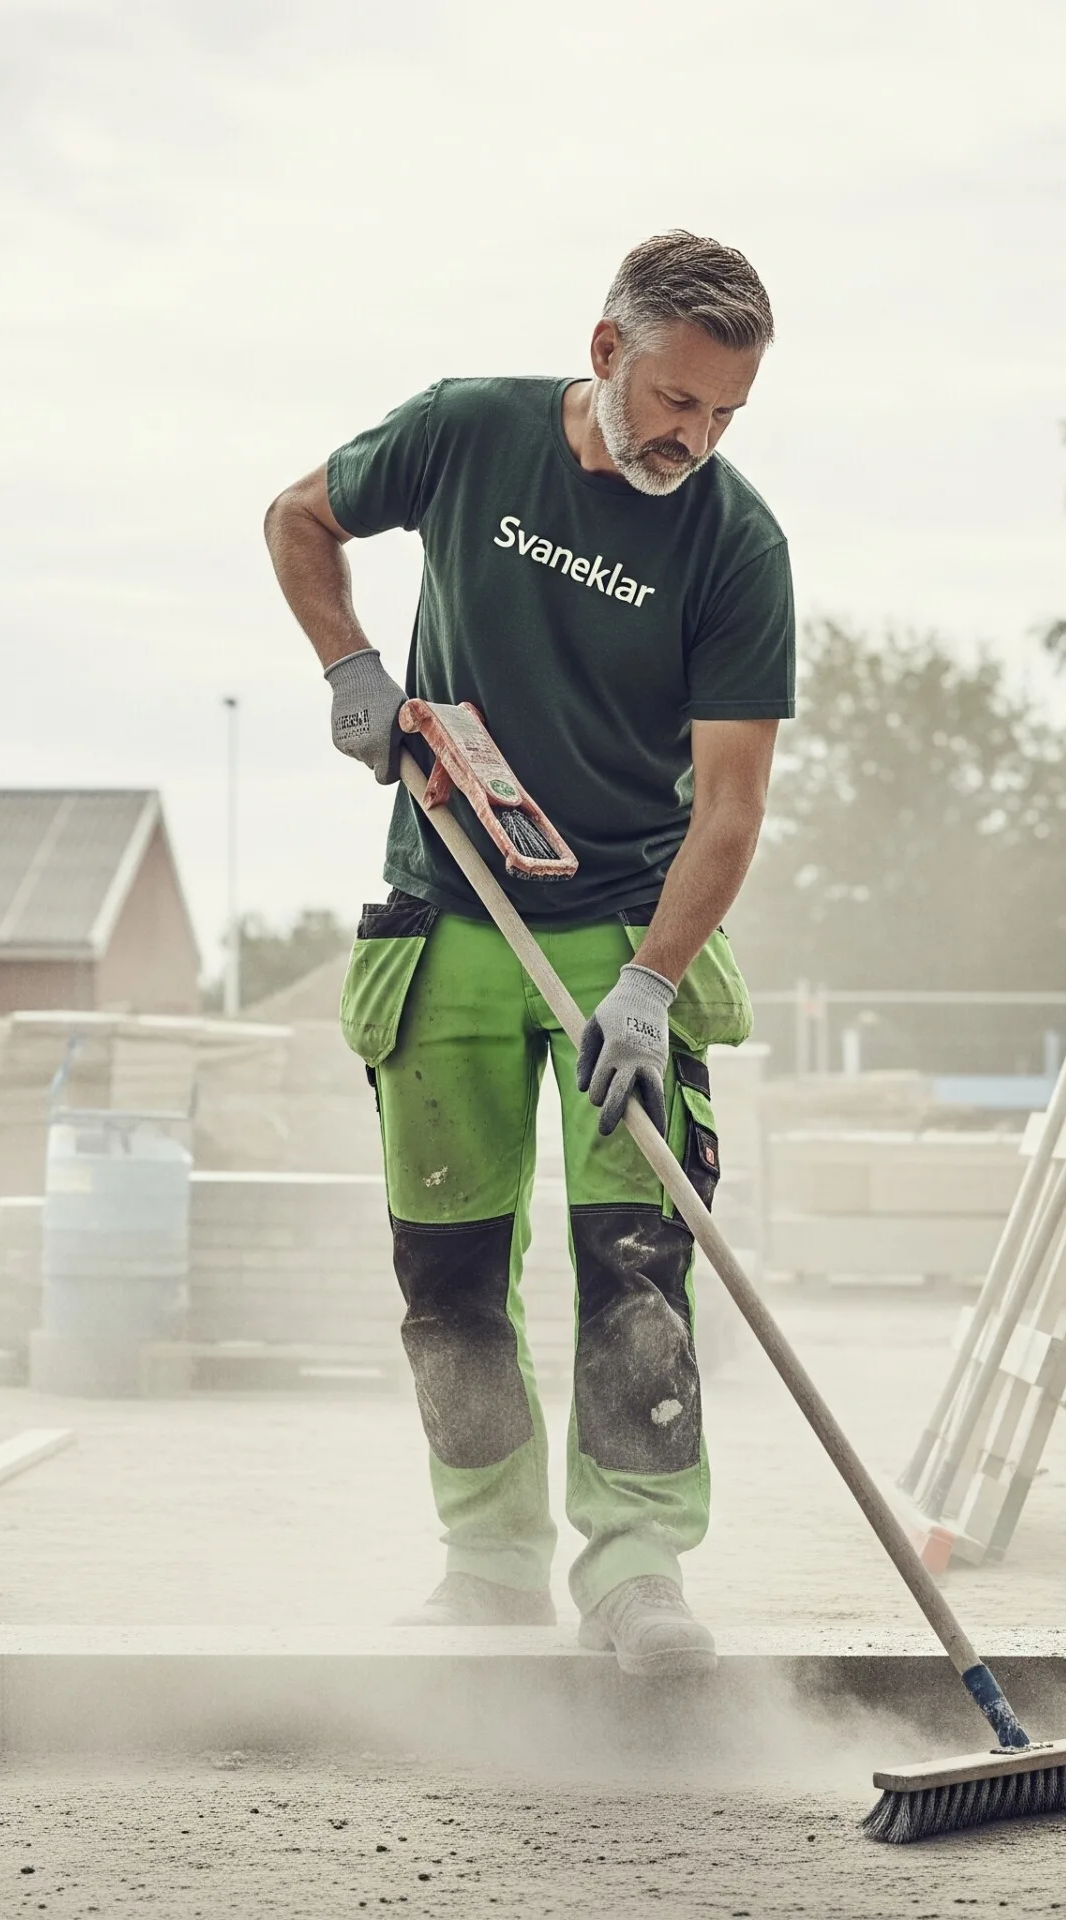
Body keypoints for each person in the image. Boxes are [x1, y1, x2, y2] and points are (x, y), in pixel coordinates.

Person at [263, 232, 794, 1676]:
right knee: (448, 1272)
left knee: (635, 1267)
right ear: (607, 350)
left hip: (631, 924)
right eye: (678, 401)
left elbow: (733, 806)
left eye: (726, 415)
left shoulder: (734, 543)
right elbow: (298, 519)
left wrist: (651, 986)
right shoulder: (467, 435)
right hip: (447, 922)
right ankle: (489, 1566)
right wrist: (352, 668)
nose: (695, 439)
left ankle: (636, 1572)